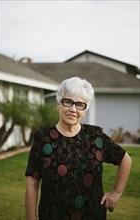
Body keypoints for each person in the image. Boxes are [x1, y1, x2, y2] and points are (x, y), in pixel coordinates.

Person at [25, 76, 132, 220]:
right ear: (58, 103)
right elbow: (32, 183)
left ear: (85, 109)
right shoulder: (43, 139)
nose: (73, 109)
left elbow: (125, 159)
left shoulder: (96, 136)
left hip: (93, 215)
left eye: (80, 104)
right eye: (68, 101)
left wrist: (116, 193)